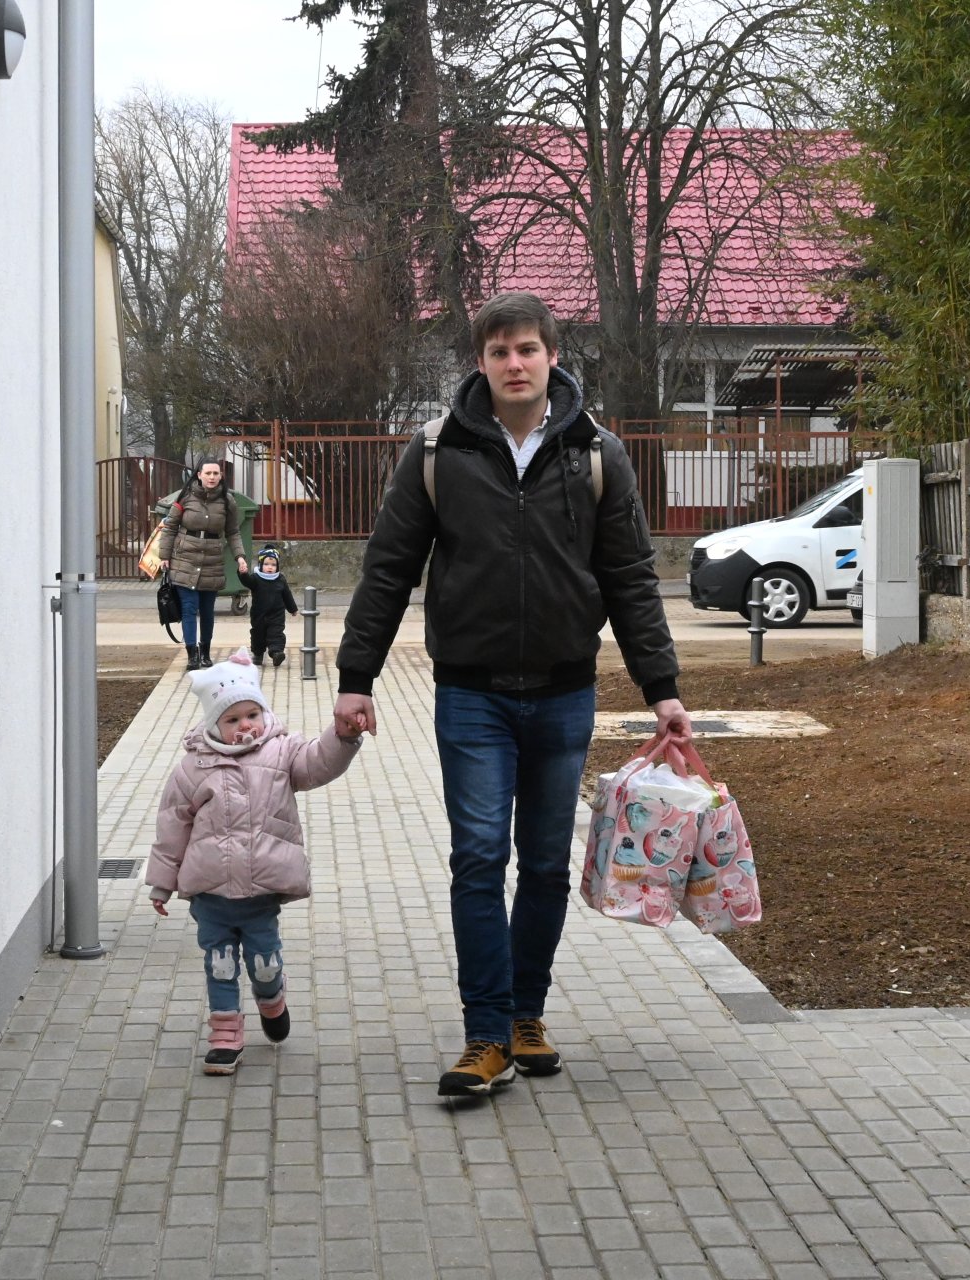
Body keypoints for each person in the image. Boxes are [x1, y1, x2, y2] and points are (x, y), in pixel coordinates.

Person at [333, 291, 689, 1098]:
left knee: (544, 865)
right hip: (472, 696)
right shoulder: (438, 451)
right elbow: (388, 567)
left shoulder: (596, 453)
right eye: (500, 352)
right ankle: (486, 1034)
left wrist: (661, 687)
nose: (515, 363)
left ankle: (528, 1015)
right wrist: (357, 678)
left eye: (528, 349)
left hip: (564, 695)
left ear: (553, 356)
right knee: (478, 858)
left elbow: (630, 578)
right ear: (481, 362)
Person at [145, 650, 364, 1075]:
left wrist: (343, 736)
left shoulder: (282, 753)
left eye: (252, 715)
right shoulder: (193, 769)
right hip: (210, 893)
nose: (245, 725)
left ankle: (271, 999)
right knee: (220, 964)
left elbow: (319, 762)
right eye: (232, 720)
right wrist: (161, 882)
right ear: (213, 725)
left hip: (261, 894)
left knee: (265, 964)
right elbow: (172, 825)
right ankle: (225, 1037)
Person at [152, 460, 252, 669]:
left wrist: (240, 556)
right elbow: (170, 527)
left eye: (216, 473)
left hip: (212, 561)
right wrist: (164, 556)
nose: (212, 477)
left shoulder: (227, 501)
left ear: (220, 476)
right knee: (189, 608)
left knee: (207, 611)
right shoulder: (185, 496)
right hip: (184, 559)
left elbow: (233, 532)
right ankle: (192, 655)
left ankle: (205, 652)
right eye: (208, 473)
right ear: (199, 475)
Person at [236, 546, 299, 667]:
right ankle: (258, 654)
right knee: (257, 635)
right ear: (260, 565)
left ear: (277, 566)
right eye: (266, 564)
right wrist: (242, 573)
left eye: (273, 565)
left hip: (277, 615)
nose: (270, 567)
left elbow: (287, 595)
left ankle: (277, 653)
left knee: (276, 634)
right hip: (259, 615)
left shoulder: (280, 579)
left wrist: (292, 609)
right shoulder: (256, 578)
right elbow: (247, 581)